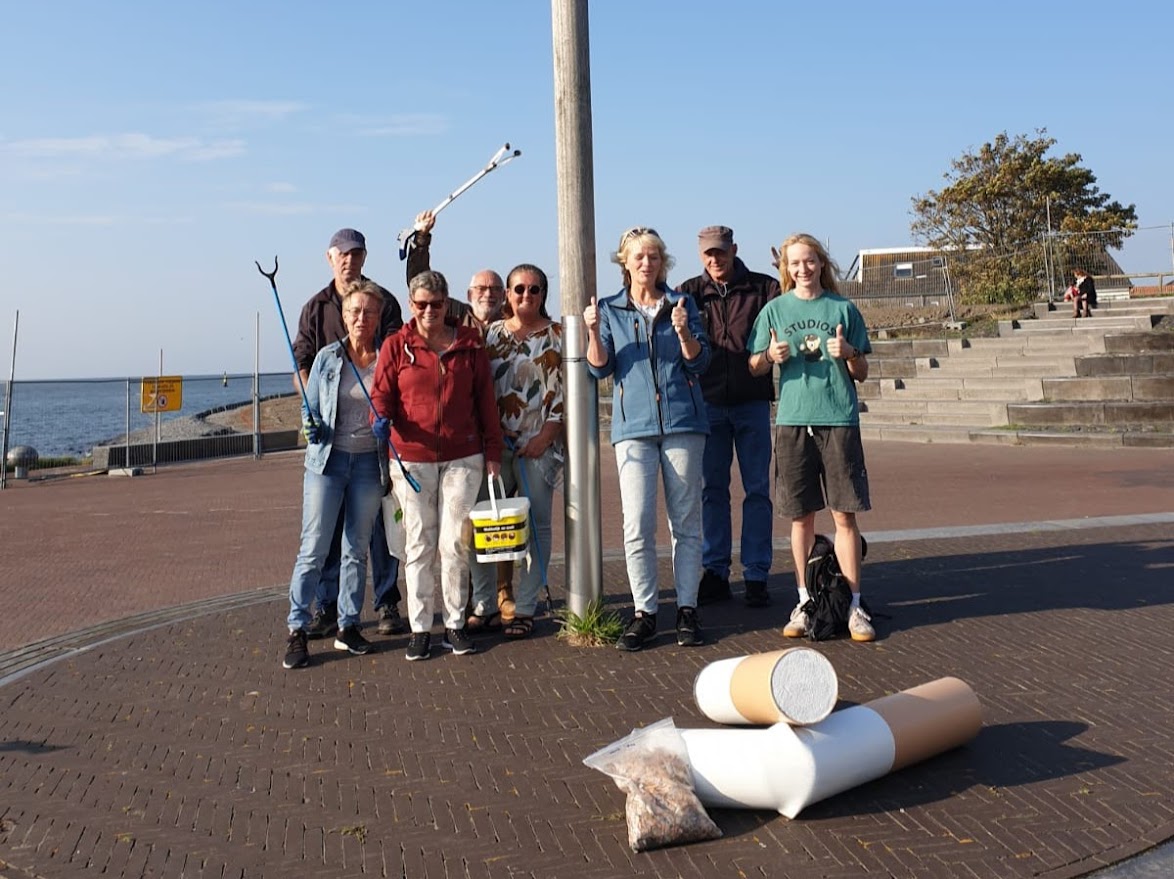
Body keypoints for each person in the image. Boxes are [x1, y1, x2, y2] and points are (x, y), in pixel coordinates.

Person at [584, 227, 711, 652]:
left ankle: (687, 609)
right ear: (625, 261)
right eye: (638, 256)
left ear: (663, 262)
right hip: (633, 428)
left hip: (682, 424)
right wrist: (592, 332)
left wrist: (683, 334)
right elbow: (600, 369)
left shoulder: (682, 304)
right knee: (637, 524)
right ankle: (645, 612)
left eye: (654, 256)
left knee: (686, 522)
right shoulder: (609, 309)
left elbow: (700, 363)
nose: (646, 263)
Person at [747, 233, 876, 643]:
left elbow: (863, 373)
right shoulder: (774, 310)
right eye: (795, 263)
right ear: (786, 269)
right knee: (800, 515)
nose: (803, 269)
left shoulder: (843, 307)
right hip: (792, 420)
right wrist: (770, 357)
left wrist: (850, 352)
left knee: (844, 515)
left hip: (838, 420)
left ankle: (854, 604)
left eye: (809, 261)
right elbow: (752, 365)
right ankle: (804, 600)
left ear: (821, 263)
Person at [370, 270, 504, 661]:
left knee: (455, 544)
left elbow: (486, 403)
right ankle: (420, 628)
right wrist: (379, 417)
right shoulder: (396, 346)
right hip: (411, 459)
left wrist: (493, 452)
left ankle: (456, 624)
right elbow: (381, 395)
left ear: (448, 304)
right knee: (419, 545)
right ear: (411, 305)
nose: (429, 311)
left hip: (464, 457)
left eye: (436, 304)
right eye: (421, 304)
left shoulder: (469, 345)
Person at [292, 228, 408, 640]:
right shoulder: (315, 309)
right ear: (330, 258)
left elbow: (397, 361)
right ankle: (319, 611)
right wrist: (311, 407)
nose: (349, 260)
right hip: (330, 447)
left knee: (372, 533)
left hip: (372, 452)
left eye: (356, 254)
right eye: (342, 254)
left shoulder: (385, 301)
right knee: (321, 539)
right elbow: (302, 362)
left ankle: (384, 602)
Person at [283, 280, 390, 669]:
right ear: (344, 316)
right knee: (313, 548)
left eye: (370, 312)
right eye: (355, 312)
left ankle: (348, 625)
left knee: (356, 550)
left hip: (368, 464)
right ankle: (297, 629)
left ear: (379, 317)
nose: (362, 318)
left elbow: (395, 405)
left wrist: (388, 426)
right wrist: (310, 427)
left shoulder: (387, 358)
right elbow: (308, 408)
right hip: (326, 463)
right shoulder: (328, 357)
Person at [678, 225, 781, 609]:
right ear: (699, 254)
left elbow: (793, 305)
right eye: (708, 253)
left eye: (720, 252)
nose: (714, 259)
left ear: (734, 249)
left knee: (757, 490)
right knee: (712, 491)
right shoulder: (688, 293)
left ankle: (756, 574)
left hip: (752, 402)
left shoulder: (764, 288)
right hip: (707, 405)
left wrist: (786, 271)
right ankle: (715, 571)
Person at [467, 264, 564, 640]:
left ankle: (524, 606)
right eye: (519, 289)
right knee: (481, 526)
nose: (527, 296)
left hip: (538, 448)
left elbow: (564, 392)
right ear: (508, 294)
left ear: (543, 294)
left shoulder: (557, 335)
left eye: (534, 289)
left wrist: (545, 436)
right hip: (494, 448)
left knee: (536, 529)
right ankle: (485, 604)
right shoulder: (488, 336)